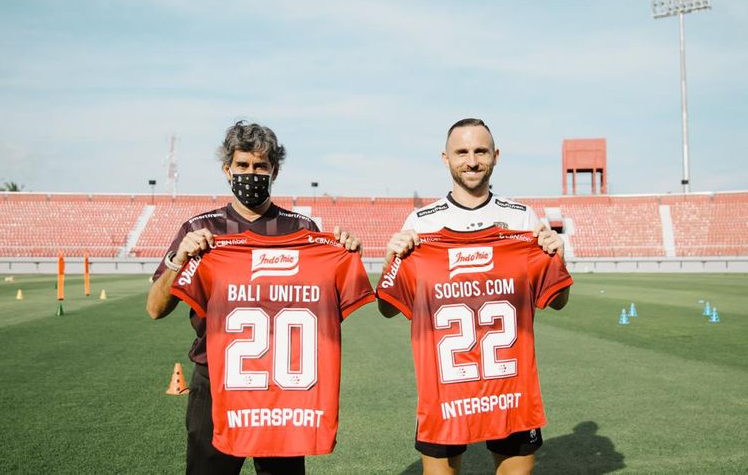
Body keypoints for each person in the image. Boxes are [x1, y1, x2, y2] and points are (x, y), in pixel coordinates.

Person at [146, 121, 363, 475]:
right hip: (215, 380)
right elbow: (155, 309)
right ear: (227, 169)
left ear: (274, 170)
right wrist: (178, 259)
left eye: (260, 166)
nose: (251, 173)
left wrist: (344, 252)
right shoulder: (201, 229)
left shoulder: (303, 231)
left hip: (284, 386)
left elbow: (332, 310)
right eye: (243, 165)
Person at [377, 118, 571, 475]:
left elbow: (556, 300)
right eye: (461, 152)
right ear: (445, 158)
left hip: (510, 385)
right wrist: (393, 259)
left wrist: (558, 256)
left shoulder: (522, 219)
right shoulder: (420, 223)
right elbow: (388, 308)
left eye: (480, 151)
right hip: (444, 388)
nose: (471, 160)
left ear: (495, 156)